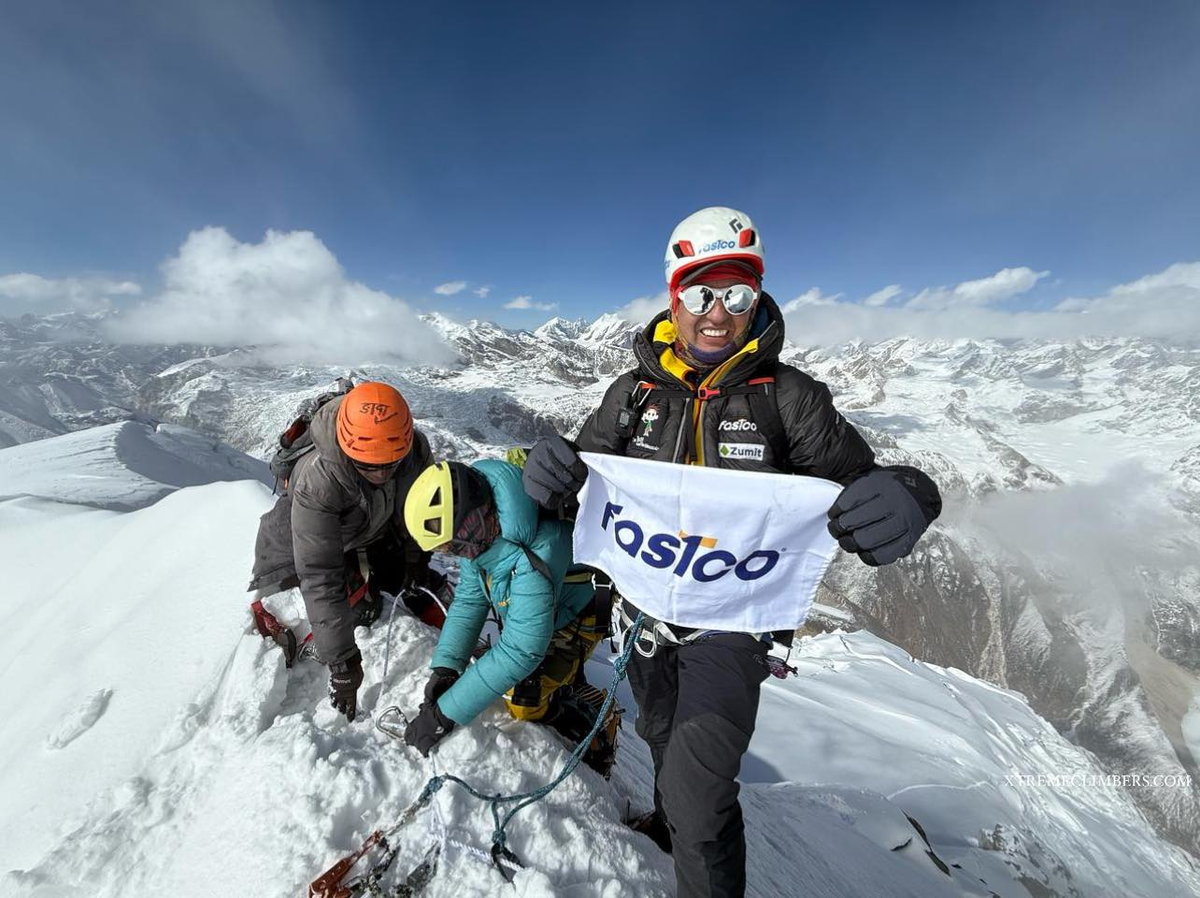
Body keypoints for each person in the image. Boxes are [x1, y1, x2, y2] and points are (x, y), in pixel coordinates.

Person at [521, 207, 942, 898]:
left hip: (735, 627)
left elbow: (857, 485)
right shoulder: (634, 395)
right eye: (700, 292)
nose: (718, 312)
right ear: (672, 296)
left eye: (738, 293)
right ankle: (673, 823)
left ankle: (691, 846)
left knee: (701, 796)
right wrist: (551, 474)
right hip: (645, 618)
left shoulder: (790, 400)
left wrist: (911, 494)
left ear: (759, 296)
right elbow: (583, 478)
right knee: (663, 744)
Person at [247, 380, 447, 722]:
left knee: (407, 584)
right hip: (297, 544)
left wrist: (415, 559)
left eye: (391, 464)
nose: (382, 474)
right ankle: (293, 626)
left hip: (366, 528)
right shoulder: (318, 479)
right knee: (360, 609)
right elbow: (320, 575)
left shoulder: (412, 451)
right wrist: (342, 663)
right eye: (370, 466)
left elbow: (419, 509)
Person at [400, 458, 617, 773]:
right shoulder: (486, 527)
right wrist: (447, 666)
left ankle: (596, 723)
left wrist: (443, 716)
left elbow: (521, 650)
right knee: (529, 679)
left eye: (454, 546)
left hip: (577, 621)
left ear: (469, 524)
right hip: (547, 612)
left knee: (524, 700)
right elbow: (471, 596)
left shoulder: (535, 552)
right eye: (447, 550)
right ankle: (566, 683)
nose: (457, 554)